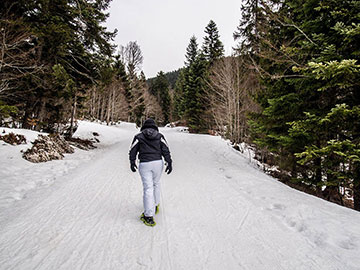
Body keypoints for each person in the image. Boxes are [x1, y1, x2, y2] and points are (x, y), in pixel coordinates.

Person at [129, 118, 172, 226]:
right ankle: (155, 205)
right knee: (156, 183)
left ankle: (148, 216)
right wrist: (169, 162)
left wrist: (132, 162)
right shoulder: (160, 136)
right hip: (158, 163)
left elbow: (133, 150)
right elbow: (165, 149)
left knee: (148, 188)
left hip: (145, 164)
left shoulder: (139, 136)